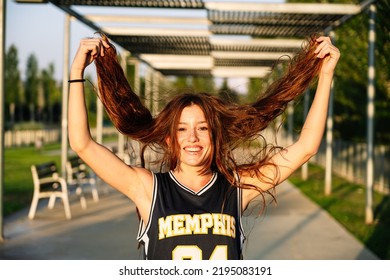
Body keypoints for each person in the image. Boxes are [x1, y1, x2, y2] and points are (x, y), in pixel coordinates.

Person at [68, 33, 340, 260]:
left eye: (203, 128)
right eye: (182, 130)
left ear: (216, 135)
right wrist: (76, 73)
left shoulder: (236, 188)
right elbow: (82, 145)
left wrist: (325, 75)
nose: (192, 138)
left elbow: (306, 147)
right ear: (169, 139)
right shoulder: (148, 189)